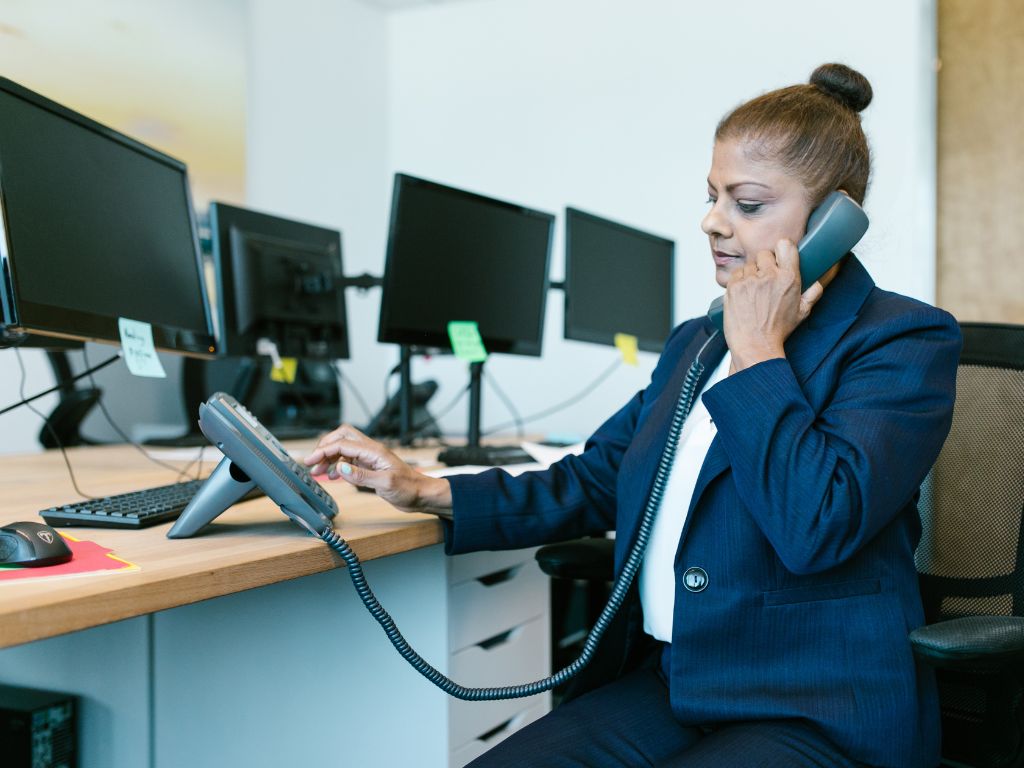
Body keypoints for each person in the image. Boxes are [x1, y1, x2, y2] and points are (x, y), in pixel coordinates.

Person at [304, 63, 960, 768]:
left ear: (835, 218)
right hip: (676, 685)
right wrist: (426, 489)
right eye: (711, 197)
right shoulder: (695, 343)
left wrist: (759, 351)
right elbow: (597, 479)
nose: (712, 221)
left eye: (745, 203)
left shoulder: (899, 341)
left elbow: (816, 527)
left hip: (819, 708)